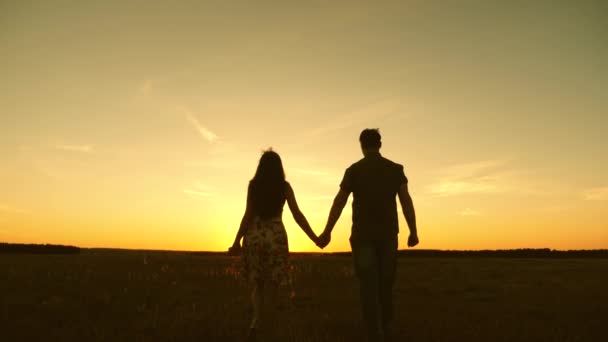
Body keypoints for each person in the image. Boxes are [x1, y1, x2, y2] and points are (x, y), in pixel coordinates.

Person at [317, 129, 419, 342]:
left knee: (367, 284)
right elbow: (406, 201)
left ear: (362, 145)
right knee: (386, 283)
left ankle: (373, 331)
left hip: (363, 235)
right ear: (380, 144)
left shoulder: (354, 170)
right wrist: (413, 230)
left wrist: (327, 231)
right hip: (388, 234)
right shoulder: (395, 169)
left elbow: (339, 202)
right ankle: (386, 327)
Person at [229, 149, 319, 341]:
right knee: (273, 285)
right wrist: (315, 238)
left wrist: (237, 240)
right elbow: (297, 215)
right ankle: (269, 324)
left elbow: (248, 215)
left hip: (254, 237)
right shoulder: (284, 187)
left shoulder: (253, 186)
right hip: (275, 238)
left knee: (258, 285)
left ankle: (256, 322)